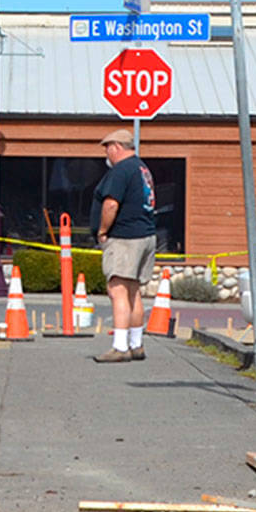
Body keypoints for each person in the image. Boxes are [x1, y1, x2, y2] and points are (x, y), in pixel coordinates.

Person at [93, 128, 157, 363]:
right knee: (133, 290)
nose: (106, 154)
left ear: (116, 147)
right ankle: (136, 343)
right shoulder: (141, 168)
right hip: (146, 234)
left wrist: (102, 230)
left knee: (117, 289)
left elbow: (111, 204)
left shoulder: (121, 170)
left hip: (125, 237)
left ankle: (120, 347)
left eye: (107, 148)